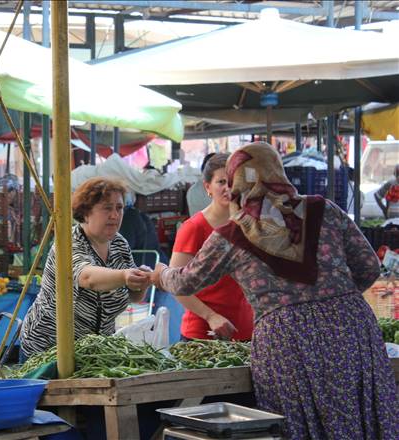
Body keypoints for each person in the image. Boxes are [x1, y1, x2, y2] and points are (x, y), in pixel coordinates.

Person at [151, 142, 398, 439]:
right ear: (278, 172)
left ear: (235, 182)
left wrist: (160, 273)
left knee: (303, 426)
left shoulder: (232, 234)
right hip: (351, 326)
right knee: (361, 417)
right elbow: (370, 267)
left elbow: (184, 282)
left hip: (287, 339)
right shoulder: (325, 209)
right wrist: (334, 301)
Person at [20, 177, 152, 358]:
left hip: (92, 350)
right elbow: (87, 278)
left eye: (119, 208)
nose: (115, 215)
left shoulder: (119, 244)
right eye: (107, 208)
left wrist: (141, 281)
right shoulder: (69, 243)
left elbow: (133, 295)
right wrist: (124, 275)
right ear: (86, 212)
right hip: (47, 347)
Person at [171, 153, 253, 341]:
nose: (228, 188)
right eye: (221, 182)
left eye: (233, 181)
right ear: (207, 187)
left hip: (248, 332)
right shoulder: (193, 228)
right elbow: (175, 285)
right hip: (204, 334)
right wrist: (211, 316)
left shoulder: (250, 225)